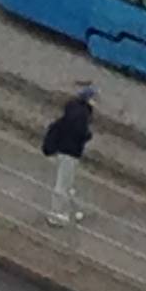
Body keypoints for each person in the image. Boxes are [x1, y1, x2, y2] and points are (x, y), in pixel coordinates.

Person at [41, 83, 96, 225]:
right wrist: (87, 136)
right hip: (71, 152)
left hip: (63, 149)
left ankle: (70, 210)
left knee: (66, 183)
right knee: (63, 184)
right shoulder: (82, 114)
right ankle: (57, 215)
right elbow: (79, 133)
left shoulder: (72, 109)